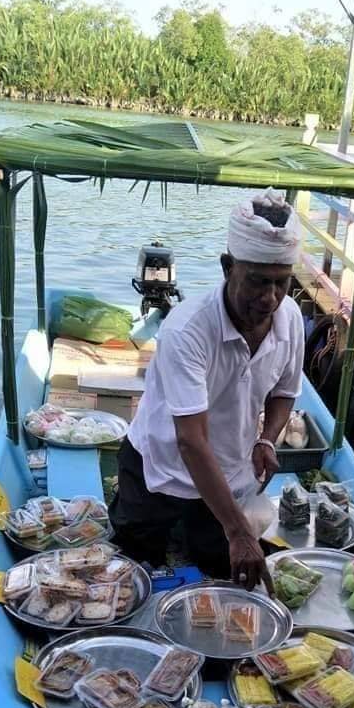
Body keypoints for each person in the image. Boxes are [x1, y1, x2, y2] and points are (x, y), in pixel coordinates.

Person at [109, 188, 305, 591]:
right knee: (134, 570)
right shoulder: (187, 329)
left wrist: (267, 440)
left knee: (217, 575)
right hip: (159, 470)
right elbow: (191, 442)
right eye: (257, 282)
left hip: (229, 474)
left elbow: (285, 390)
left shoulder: (290, 319)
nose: (270, 298)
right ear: (227, 267)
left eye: (281, 283)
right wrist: (238, 531)